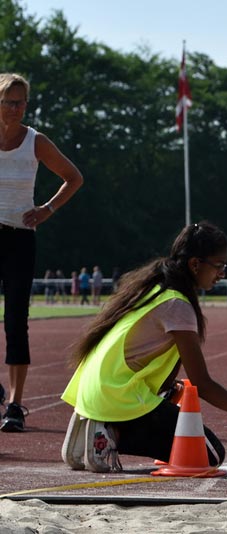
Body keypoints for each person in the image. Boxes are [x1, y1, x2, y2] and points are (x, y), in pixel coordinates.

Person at [61, 222, 227, 472]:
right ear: (195, 264)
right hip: (118, 395)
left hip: (95, 391)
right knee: (210, 455)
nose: (222, 273)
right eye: (219, 266)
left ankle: (98, 424)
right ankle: (111, 433)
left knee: (173, 391)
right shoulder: (177, 306)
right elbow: (202, 384)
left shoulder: (153, 289)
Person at [0, 73, 84, 432]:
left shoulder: (35, 142)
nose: (17, 108)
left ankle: (15, 406)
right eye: (10, 102)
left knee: (16, 321)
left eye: (22, 102)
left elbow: (73, 177)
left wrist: (47, 209)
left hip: (20, 238)